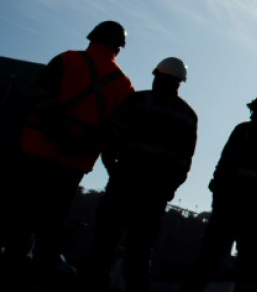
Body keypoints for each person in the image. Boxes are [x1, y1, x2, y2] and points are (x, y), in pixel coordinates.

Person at [0, 20, 135, 291]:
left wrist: (59, 135)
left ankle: (7, 282)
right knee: (49, 232)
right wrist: (82, 145)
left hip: (36, 153)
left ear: (92, 38)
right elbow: (115, 133)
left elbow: (42, 99)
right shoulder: (123, 86)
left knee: (21, 225)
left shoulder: (65, 60)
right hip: (71, 166)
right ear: (119, 48)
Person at [82, 57, 198, 292]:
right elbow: (183, 162)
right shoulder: (187, 115)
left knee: (105, 246)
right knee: (140, 253)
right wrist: (168, 189)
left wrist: (112, 169)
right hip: (153, 193)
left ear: (157, 75)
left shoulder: (138, 101)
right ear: (179, 82)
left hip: (124, 184)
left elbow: (111, 138)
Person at [181, 92, 257, 292]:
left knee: (206, 264)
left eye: (255, 110)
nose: (252, 114)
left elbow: (224, 168)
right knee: (247, 272)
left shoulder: (243, 132)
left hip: (229, 213)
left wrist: (219, 202)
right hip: (256, 220)